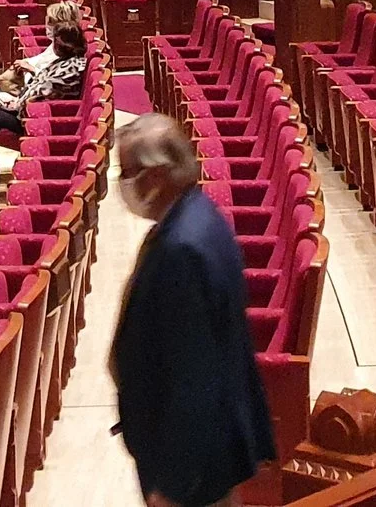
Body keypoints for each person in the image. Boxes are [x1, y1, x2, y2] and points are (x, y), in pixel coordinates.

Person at [109, 115, 275, 507]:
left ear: (158, 174)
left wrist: (173, 486)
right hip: (203, 454)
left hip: (193, 468)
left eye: (129, 172)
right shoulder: (197, 215)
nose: (123, 183)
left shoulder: (182, 248)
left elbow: (195, 376)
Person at [0, 0, 90, 202]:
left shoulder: (70, 67)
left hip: (38, 120)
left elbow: (43, 90)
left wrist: (18, 103)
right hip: (29, 109)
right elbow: (40, 86)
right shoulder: (65, 60)